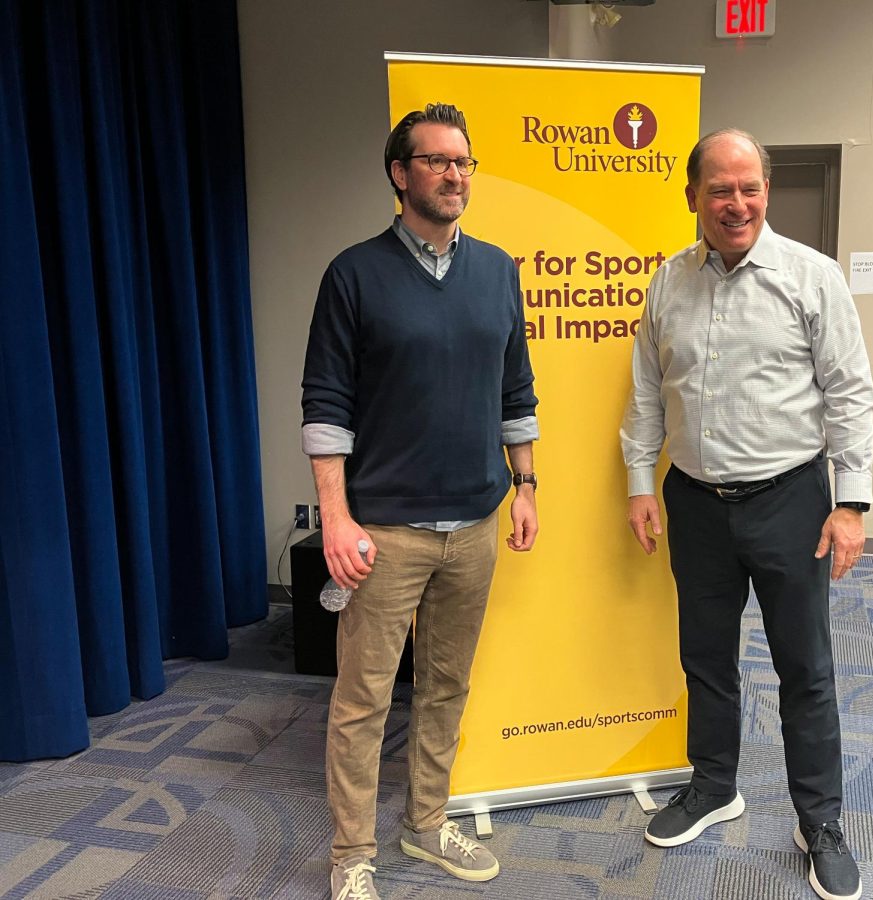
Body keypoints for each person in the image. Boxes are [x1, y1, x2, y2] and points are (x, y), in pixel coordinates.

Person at [620, 129, 873, 900]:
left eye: (751, 187)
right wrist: (639, 480)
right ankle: (714, 784)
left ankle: (819, 819)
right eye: (721, 189)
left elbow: (850, 392)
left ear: (768, 191)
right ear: (692, 195)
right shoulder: (668, 282)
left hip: (791, 501)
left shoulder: (812, 277)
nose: (737, 203)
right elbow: (644, 391)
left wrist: (851, 503)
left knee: (806, 668)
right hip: (694, 502)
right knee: (706, 658)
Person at [302, 102, 539, 900]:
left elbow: (517, 389)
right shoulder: (354, 274)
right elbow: (326, 405)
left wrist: (526, 483)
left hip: (474, 525)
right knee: (363, 701)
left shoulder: (498, 269)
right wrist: (334, 516)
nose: (455, 175)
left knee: (446, 687)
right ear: (400, 175)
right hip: (384, 530)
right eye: (437, 161)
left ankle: (426, 822)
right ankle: (351, 856)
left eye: (464, 162)